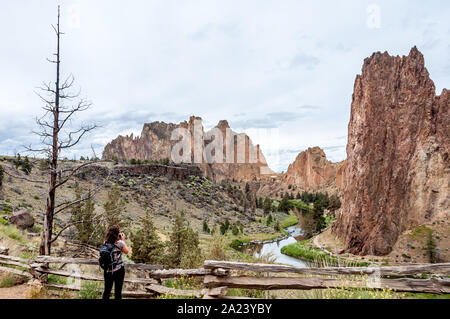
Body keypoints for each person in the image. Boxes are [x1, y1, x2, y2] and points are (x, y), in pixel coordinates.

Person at [102, 225, 129, 299]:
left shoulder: (105, 242)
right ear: (117, 233)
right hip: (119, 270)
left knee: (107, 291)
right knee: (118, 291)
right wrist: (123, 240)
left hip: (108, 270)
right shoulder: (120, 243)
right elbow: (126, 251)